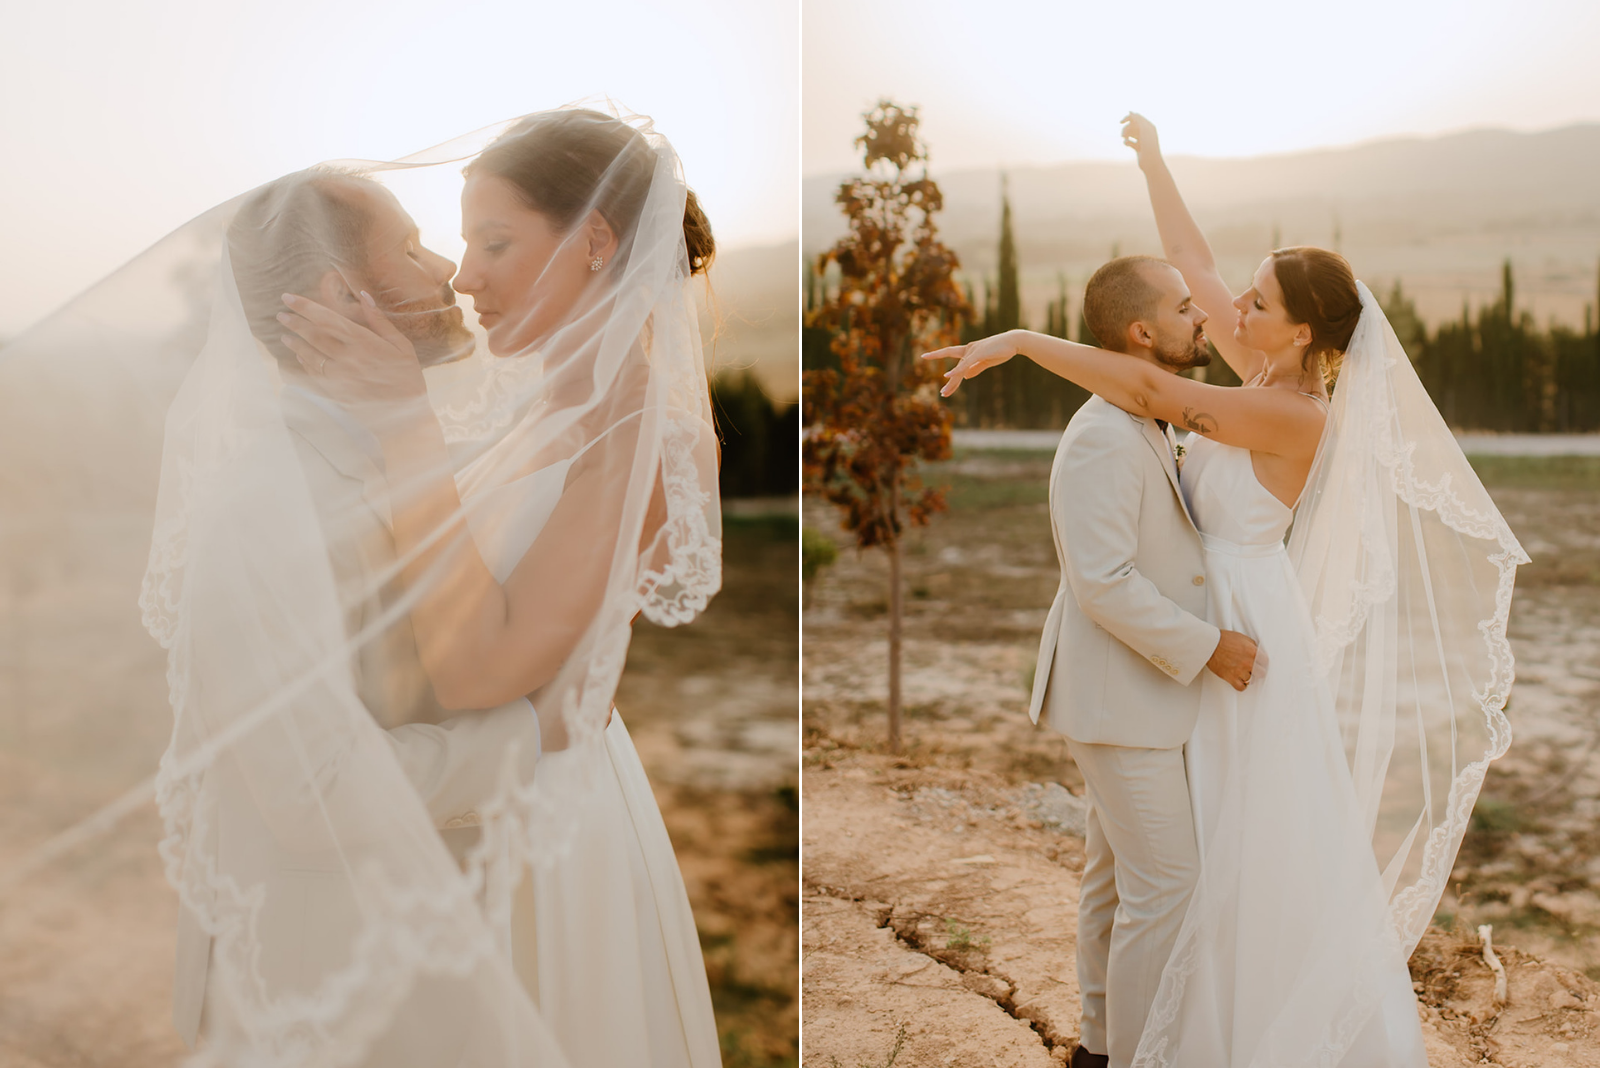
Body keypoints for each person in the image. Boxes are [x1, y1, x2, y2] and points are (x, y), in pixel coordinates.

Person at [924, 114, 1527, 1067]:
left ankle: (1211, 1036)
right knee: (1155, 862)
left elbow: (1159, 396)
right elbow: (1186, 254)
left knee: (1226, 855)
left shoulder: (1293, 416)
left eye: (1254, 297)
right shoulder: (1256, 367)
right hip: (1203, 624)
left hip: (1242, 627)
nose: (1229, 301)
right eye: (1236, 293)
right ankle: (1129, 1036)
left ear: (1298, 329)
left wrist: (1023, 341)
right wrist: (1154, 159)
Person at [279, 108, 723, 1068]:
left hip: (538, 842)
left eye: (494, 241)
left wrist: (405, 426)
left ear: (597, 243)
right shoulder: (522, 411)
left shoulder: (644, 439)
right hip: (447, 814)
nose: (464, 273)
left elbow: (484, 665)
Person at [168, 168, 548, 1050]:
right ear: (343, 295)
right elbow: (313, 793)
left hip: (409, 949)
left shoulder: (392, 452)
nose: (450, 271)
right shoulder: (265, 502)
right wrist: (535, 735)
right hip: (314, 988)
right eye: (413, 250)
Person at [1010, 252, 1259, 1068]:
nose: (1202, 319)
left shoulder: (1143, 418)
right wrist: (1209, 646)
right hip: (1120, 698)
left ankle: (1099, 1047)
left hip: (1134, 697)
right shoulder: (1103, 437)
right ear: (1143, 331)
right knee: (1169, 887)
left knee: (1116, 882)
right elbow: (1102, 583)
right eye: (1187, 308)